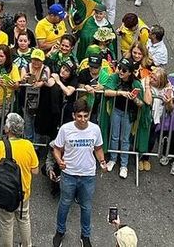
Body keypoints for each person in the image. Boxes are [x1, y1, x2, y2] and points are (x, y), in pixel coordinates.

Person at [51, 99, 109, 247]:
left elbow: (98, 148)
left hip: (88, 175)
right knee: (64, 204)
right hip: (69, 174)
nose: (83, 120)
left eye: (86, 116)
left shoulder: (95, 129)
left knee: (86, 207)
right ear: (73, 115)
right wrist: (59, 161)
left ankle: (85, 236)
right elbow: (56, 148)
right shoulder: (65, 129)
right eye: (79, 116)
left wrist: (102, 162)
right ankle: (60, 231)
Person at [0, 112, 39, 247]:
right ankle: (27, 245)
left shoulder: (1, 145)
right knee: (24, 220)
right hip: (23, 193)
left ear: (9, 129)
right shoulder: (28, 145)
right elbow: (35, 170)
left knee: (7, 224)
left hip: (6, 193)